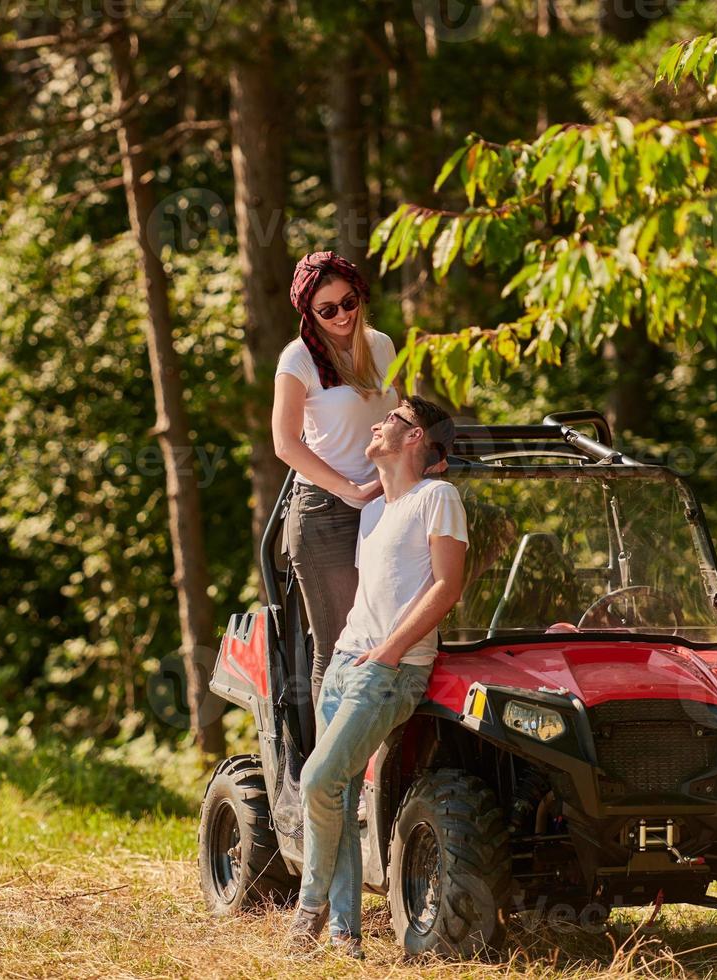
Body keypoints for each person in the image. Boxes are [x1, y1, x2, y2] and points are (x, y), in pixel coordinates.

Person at [287, 396, 468, 959]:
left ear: (416, 438)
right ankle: (345, 935)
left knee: (318, 781)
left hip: (392, 669)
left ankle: (309, 907)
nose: (378, 422)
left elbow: (447, 586)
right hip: (346, 660)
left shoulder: (438, 498)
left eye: (392, 418)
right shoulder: (372, 510)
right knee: (335, 793)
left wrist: (389, 651)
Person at [273, 251, 399, 707]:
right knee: (342, 643)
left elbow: (398, 418)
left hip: (387, 506)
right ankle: (326, 770)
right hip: (327, 513)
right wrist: (350, 491)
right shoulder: (299, 359)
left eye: (349, 302)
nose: (342, 315)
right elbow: (285, 444)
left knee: (394, 637)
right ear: (309, 313)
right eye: (328, 310)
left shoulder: (380, 345)